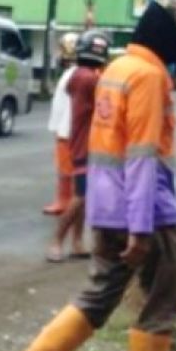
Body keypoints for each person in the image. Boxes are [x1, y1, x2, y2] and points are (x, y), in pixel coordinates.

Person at [8, 2, 176, 351]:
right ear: (168, 38)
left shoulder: (117, 69)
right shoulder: (149, 76)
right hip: (145, 209)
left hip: (107, 205)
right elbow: (142, 156)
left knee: (101, 291)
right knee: (165, 294)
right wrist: (141, 226)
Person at [46, 30, 110, 263]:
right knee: (81, 196)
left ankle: (77, 241)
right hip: (86, 145)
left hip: (81, 141)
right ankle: (56, 240)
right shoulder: (89, 79)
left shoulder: (79, 75)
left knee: (82, 195)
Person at [44, 32, 79, 216]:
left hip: (68, 129)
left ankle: (65, 202)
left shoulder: (74, 73)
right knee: (66, 168)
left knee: (66, 169)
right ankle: (67, 201)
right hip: (66, 127)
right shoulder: (72, 72)